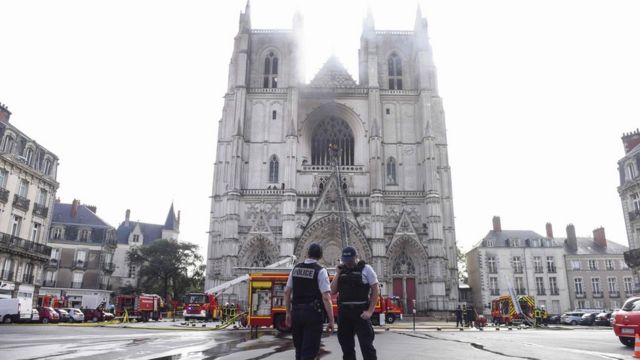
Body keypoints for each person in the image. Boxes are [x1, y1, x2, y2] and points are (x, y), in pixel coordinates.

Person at [284, 243, 335, 360]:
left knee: (299, 350)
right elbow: (326, 297)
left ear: (307, 254)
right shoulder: (320, 271)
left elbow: (287, 292)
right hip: (313, 314)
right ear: (320, 256)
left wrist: (288, 313)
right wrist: (331, 320)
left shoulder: (295, 269)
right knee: (309, 353)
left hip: (296, 312)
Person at [331, 246, 379, 360]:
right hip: (344, 314)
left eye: (350, 261)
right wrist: (337, 273)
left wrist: (370, 311)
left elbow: (376, 289)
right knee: (347, 348)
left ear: (356, 257)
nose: (348, 263)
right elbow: (332, 290)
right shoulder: (341, 270)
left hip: (361, 313)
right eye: (345, 261)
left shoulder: (366, 269)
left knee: (367, 347)